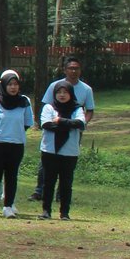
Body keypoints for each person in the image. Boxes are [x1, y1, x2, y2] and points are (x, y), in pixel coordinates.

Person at [30, 56, 96, 201]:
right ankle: (40, 191)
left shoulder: (86, 89)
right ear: (65, 70)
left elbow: (89, 110)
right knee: (46, 161)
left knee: (68, 162)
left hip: (73, 130)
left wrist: (82, 124)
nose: (73, 71)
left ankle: (61, 194)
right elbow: (46, 107)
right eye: (71, 68)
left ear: (80, 70)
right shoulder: (55, 86)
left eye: (76, 68)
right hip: (53, 129)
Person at [0, 70, 32, 218]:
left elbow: (27, 123)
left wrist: (14, 133)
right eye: (10, 84)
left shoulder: (24, 101)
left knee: (11, 176)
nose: (13, 87)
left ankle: (8, 206)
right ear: (4, 85)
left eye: (15, 84)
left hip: (16, 144)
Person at [39, 82, 88, 220]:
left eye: (65, 92)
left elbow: (80, 123)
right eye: (59, 92)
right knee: (48, 181)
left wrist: (60, 120)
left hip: (70, 152)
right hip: (49, 150)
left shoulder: (77, 109)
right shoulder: (49, 107)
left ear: (71, 94)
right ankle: (46, 211)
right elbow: (46, 125)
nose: (62, 95)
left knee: (66, 183)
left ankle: (64, 212)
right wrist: (69, 125)